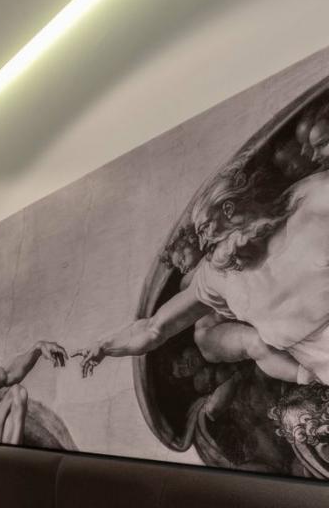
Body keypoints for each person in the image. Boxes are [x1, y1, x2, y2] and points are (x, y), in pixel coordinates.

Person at [76, 159, 329, 386]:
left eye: (206, 228)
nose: (204, 241)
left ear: (228, 210)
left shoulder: (309, 202)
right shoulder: (217, 277)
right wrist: (105, 345)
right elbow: (154, 328)